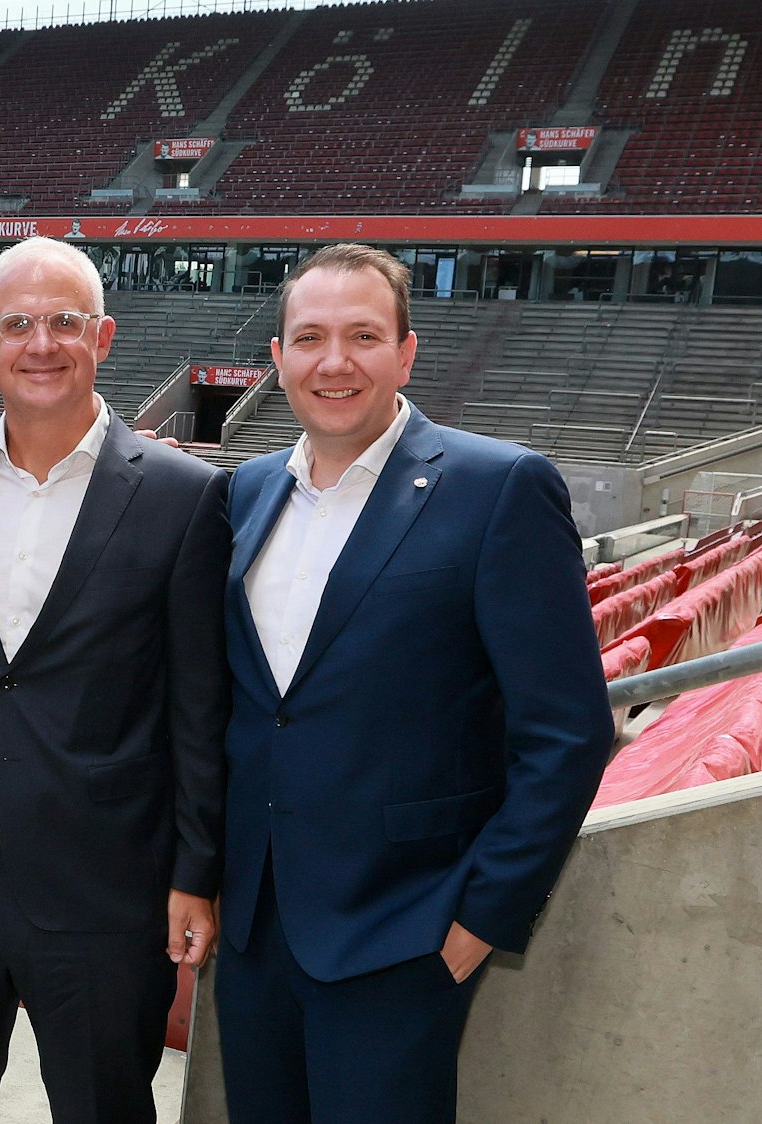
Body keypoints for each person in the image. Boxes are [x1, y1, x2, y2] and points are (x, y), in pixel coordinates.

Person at [213, 243, 615, 1122]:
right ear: (275, 358)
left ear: (404, 352)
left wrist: (480, 918)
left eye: (362, 335)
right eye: (309, 337)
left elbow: (568, 729)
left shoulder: (496, 487)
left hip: (405, 930)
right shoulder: (242, 493)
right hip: (256, 928)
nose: (333, 362)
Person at [0, 237, 229, 1123]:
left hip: (104, 886)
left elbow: (199, 705)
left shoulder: (181, 493)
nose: (40, 344)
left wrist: (195, 871)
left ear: (104, 336)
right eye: (18, 324)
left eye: (64, 322)